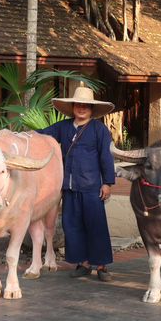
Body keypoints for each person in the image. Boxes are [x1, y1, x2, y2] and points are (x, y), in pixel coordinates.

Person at [36, 87, 116, 282]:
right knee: (72, 226)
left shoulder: (99, 130)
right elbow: (43, 135)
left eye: (85, 105)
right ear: (73, 107)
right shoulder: (62, 127)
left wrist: (107, 183)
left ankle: (102, 265)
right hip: (68, 187)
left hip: (91, 187)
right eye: (78, 104)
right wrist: (21, 136)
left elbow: (106, 157)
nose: (81, 108)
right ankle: (83, 264)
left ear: (91, 108)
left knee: (96, 226)